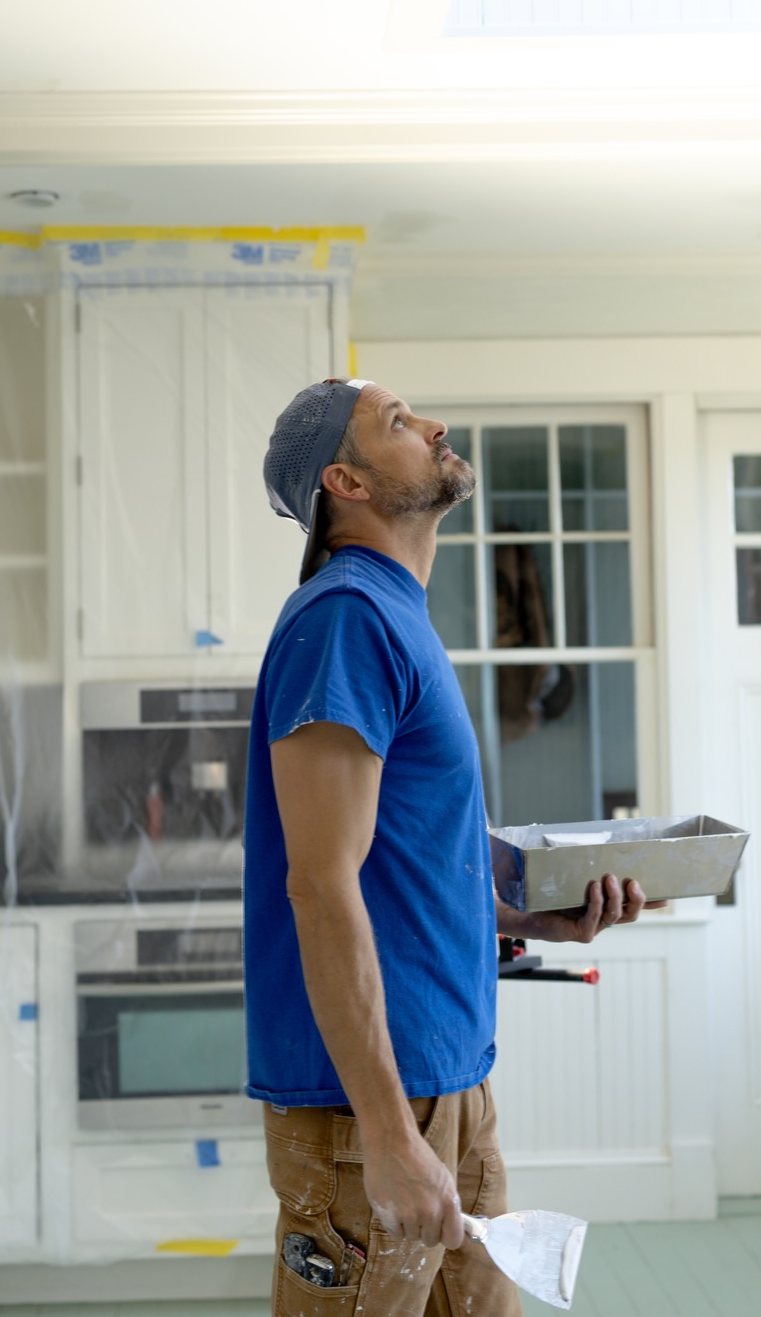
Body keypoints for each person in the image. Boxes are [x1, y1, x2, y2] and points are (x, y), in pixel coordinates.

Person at [244, 377, 662, 1316]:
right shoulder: (344, 619)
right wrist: (392, 1136)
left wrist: (524, 915)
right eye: (399, 422)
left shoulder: (394, 614)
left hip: (449, 1080)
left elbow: (405, 862)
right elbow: (319, 883)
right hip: (370, 1110)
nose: (435, 427)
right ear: (344, 481)